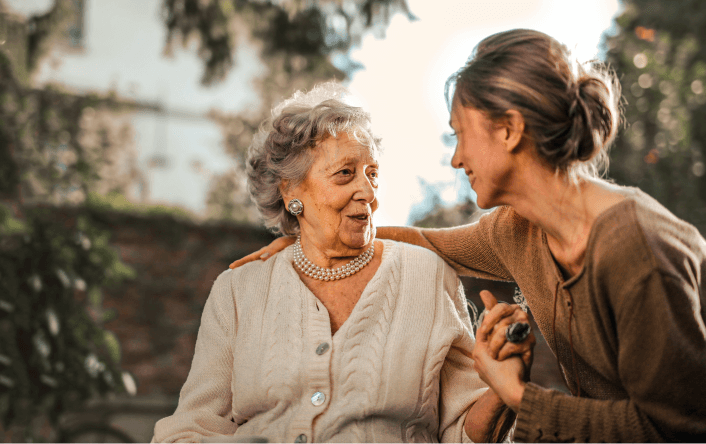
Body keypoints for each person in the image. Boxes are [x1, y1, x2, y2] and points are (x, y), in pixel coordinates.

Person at [231, 30, 706, 443]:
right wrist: (312, 240)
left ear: (509, 130)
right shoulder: (519, 230)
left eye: (460, 134)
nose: (456, 159)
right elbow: (427, 242)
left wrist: (518, 395)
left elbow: (678, 428)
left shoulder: (636, 248)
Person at [152, 83, 534, 444]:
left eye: (373, 175)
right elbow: (191, 427)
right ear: (291, 192)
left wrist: (503, 390)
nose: (367, 192)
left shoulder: (427, 276)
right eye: (345, 174)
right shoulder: (238, 290)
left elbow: (463, 433)